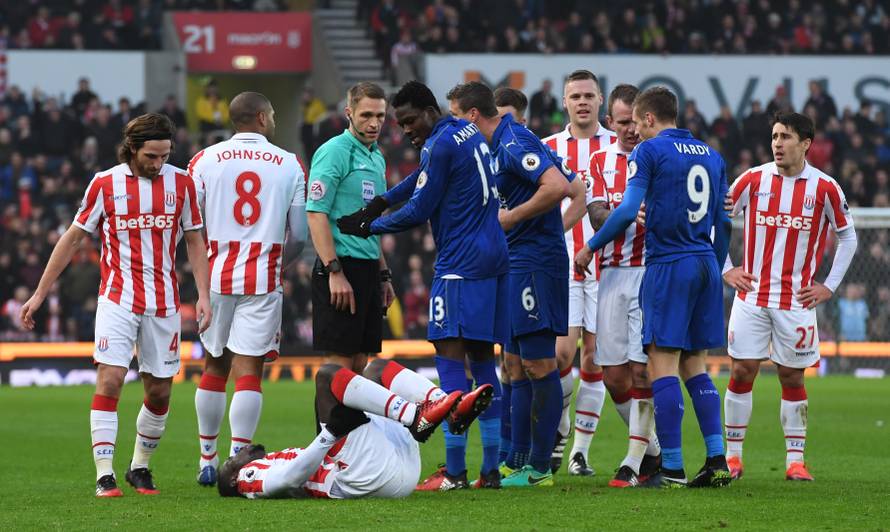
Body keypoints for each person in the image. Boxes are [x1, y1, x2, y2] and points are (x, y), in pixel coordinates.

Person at [19, 113, 211, 497]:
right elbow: (73, 238)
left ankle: (139, 467)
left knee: (159, 392)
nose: (158, 163)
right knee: (110, 379)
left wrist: (203, 295)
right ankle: (104, 475)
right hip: (117, 298)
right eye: (151, 156)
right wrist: (39, 293)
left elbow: (194, 239)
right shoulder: (105, 183)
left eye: (164, 156)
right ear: (132, 149)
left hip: (164, 302)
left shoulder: (183, 184)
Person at [337, 80, 507, 490]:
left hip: (460, 263)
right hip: (494, 257)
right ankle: (491, 469)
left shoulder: (439, 144)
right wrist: (382, 201)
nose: (406, 130)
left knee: (449, 358)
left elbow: (420, 208)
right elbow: (423, 177)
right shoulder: (465, 133)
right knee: (483, 361)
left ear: (430, 112)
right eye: (401, 124)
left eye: (410, 120)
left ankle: (455, 471)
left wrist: (370, 226)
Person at [575, 86, 733, 488]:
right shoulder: (712, 156)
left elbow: (628, 209)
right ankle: (717, 460)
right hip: (705, 262)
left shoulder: (649, 152)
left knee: (661, 367)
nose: (635, 132)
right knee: (694, 365)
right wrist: (713, 267)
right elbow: (725, 223)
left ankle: (673, 467)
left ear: (648, 118)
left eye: (637, 123)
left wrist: (590, 246)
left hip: (668, 263)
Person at [447, 81, 583, 488]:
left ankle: (540, 469)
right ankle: (515, 460)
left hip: (534, 264)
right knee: (513, 365)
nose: (452, 125)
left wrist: (514, 219)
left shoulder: (513, 141)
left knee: (539, 364)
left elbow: (562, 187)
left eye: (455, 117)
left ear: (473, 116)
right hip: (514, 262)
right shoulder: (494, 146)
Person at [722, 111, 857, 482]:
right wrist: (726, 269)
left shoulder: (825, 187)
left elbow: (848, 236)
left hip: (797, 302)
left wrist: (829, 285)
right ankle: (733, 458)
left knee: (792, 377)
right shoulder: (752, 179)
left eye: (785, 137)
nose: (777, 144)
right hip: (752, 297)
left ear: (806, 144)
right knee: (741, 370)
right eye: (774, 136)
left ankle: (795, 461)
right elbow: (714, 221)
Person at [188, 92, 308, 487]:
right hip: (262, 279)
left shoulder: (203, 160)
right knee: (249, 371)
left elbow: (190, 227)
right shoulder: (289, 164)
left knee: (214, 365)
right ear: (260, 117)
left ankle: (207, 459)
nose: (273, 120)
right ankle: (238, 460)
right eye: (272, 114)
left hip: (215, 278)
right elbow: (299, 236)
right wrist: (277, 264)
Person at [217, 360, 496, 499]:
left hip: (391, 470)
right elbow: (288, 479)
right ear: (232, 480)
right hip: (366, 476)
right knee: (327, 376)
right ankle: (416, 417)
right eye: (230, 461)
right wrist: (328, 435)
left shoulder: (265, 463)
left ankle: (448, 410)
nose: (238, 453)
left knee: (375, 370)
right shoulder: (246, 478)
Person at [585, 84, 661, 487]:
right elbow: (597, 215)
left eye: (635, 121)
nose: (630, 129)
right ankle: (654, 452)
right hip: (611, 274)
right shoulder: (600, 161)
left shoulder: (659, 157)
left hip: (650, 272)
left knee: (641, 371)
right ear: (609, 122)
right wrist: (626, 212)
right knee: (614, 377)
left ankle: (632, 462)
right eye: (622, 122)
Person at [542, 69, 615, 476]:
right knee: (560, 355)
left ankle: (579, 453)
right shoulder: (548, 147)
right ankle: (561, 424)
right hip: (564, 264)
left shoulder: (619, 146)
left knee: (595, 358)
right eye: (575, 96)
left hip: (608, 267)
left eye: (589, 95)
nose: (583, 102)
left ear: (600, 100)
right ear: (565, 102)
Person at [305, 82, 395, 373]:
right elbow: (316, 213)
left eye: (380, 116)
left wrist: (383, 275)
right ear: (349, 113)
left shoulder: (377, 157)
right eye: (366, 115)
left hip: (368, 268)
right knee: (339, 364)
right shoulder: (334, 152)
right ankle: (327, 412)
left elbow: (371, 225)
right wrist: (334, 271)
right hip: (341, 266)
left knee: (359, 363)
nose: (374, 123)